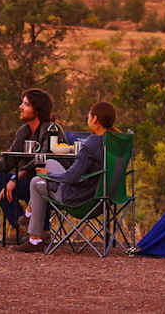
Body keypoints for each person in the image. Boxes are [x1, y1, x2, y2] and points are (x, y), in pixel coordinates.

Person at [15, 100, 117, 253]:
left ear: (95, 119)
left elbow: (71, 177)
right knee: (44, 171)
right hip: (106, 196)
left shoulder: (90, 145)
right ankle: (32, 230)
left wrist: (50, 176)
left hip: (81, 199)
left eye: (89, 115)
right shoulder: (115, 141)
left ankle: (33, 234)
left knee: (38, 178)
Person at [0, 88, 54, 237]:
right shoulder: (23, 131)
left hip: (47, 183)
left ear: (37, 110)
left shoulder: (50, 130)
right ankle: (22, 228)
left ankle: (40, 229)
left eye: (25, 104)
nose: (20, 107)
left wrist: (15, 178)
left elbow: (43, 159)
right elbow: (9, 160)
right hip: (27, 181)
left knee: (24, 183)